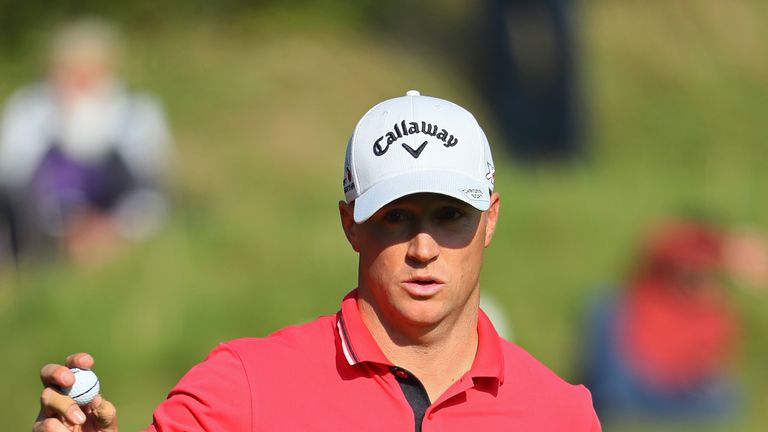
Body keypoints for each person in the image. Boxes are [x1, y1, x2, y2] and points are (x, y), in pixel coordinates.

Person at [34, 91, 600, 431]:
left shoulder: (561, 412)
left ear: (491, 220)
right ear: (351, 224)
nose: (423, 248)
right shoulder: (241, 388)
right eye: (395, 218)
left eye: (449, 217)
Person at [0, 18, 172, 266]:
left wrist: (114, 228)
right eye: (70, 70)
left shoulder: (138, 112)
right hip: (42, 233)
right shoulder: (28, 109)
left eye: (88, 70)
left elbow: (151, 189)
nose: (78, 80)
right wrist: (65, 225)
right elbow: (13, 183)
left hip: (116, 230)